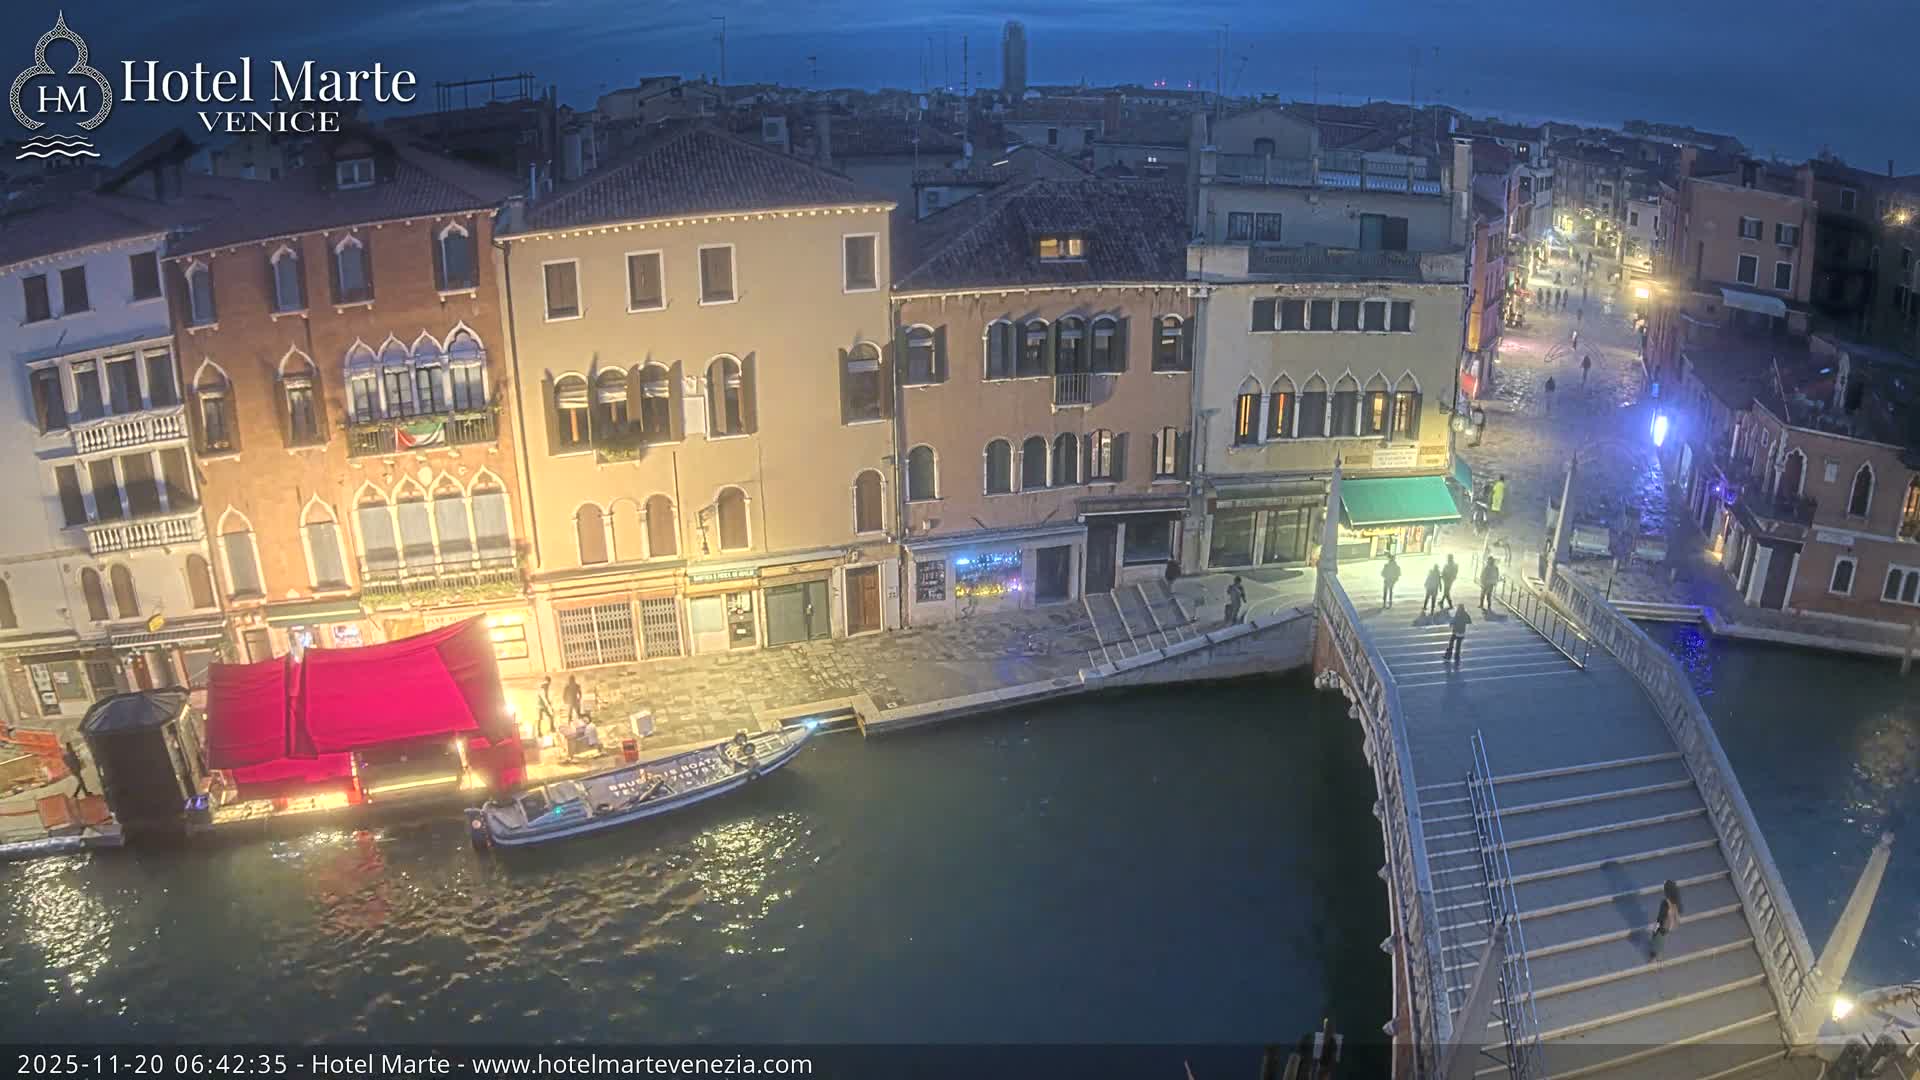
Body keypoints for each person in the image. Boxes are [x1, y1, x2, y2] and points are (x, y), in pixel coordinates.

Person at [1650, 879, 1683, 960]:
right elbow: (1679, 913)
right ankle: (1657, 955)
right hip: (1666, 925)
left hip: (1662, 925)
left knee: (1657, 938)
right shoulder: (1676, 902)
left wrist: (1655, 928)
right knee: (1659, 937)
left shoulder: (1666, 903)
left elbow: (1662, 917)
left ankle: (1656, 956)